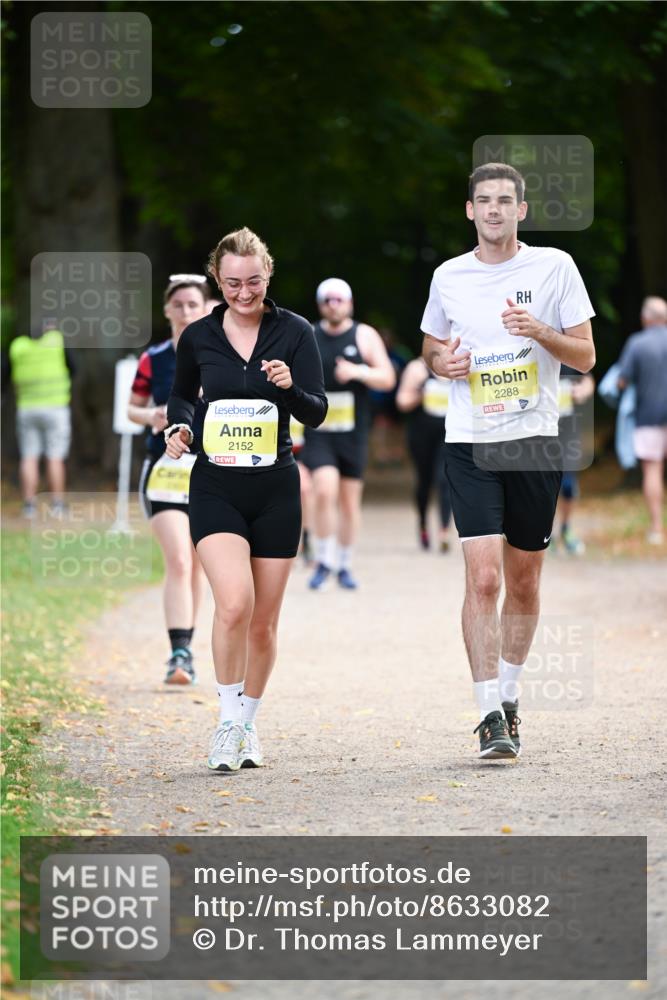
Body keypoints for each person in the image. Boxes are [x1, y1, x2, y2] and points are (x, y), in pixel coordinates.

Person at [421, 161, 595, 760]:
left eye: (505, 200)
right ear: (469, 210)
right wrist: (442, 364)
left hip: (535, 441)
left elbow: (587, 355)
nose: (493, 209)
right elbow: (431, 348)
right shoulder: (449, 276)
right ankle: (488, 712)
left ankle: (513, 696)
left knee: (523, 581)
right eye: (483, 200)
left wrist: (541, 331)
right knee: (484, 578)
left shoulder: (554, 267)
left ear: (521, 210)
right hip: (470, 439)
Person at [164, 227, 327, 772]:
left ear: (267, 275)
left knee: (263, 622)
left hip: (276, 487)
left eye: (253, 281)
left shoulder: (295, 332)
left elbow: (316, 410)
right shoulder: (199, 337)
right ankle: (227, 722)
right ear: (217, 279)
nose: (243, 292)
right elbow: (183, 396)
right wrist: (180, 429)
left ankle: (248, 724)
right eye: (232, 282)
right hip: (216, 484)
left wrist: (288, 387)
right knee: (234, 603)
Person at [128, 274, 210, 685]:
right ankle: (178, 654)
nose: (186, 312)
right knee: (178, 559)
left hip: (209, 473)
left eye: (193, 304)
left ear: (207, 308)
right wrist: (153, 415)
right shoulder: (154, 358)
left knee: (194, 566)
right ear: (167, 311)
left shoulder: (220, 355)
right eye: (178, 305)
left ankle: (188, 649)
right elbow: (132, 409)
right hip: (163, 472)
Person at [299, 278, 396, 590]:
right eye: (328, 300)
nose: (334, 304)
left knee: (349, 501)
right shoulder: (308, 335)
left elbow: (388, 378)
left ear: (350, 303)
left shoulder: (364, 335)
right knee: (324, 490)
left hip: (353, 432)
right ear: (320, 304)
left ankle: (344, 564)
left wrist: (358, 372)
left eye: (339, 299)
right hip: (319, 430)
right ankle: (323, 560)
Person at [6, 320, 75, 518]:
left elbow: (6, 374)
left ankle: (29, 505)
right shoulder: (56, 341)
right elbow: (74, 368)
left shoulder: (19, 347)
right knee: (55, 457)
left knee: (29, 457)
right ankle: (58, 505)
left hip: (27, 408)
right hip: (55, 408)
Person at [617, 296, 667, 545]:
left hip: (648, 417)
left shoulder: (637, 344)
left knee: (653, 470)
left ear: (646, 318)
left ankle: (657, 528)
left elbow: (621, 381)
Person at [396, 357, 452, 551]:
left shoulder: (457, 364)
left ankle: (444, 530)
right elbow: (402, 402)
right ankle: (422, 524)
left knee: (445, 479)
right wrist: (421, 392)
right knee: (424, 481)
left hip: (448, 434)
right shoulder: (417, 368)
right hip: (421, 435)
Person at [553, 367, 596, 555]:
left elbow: (588, 378)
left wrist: (583, 390)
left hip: (568, 430)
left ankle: (565, 529)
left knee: (568, 485)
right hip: (537, 431)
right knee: (543, 485)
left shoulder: (565, 347)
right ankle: (547, 533)